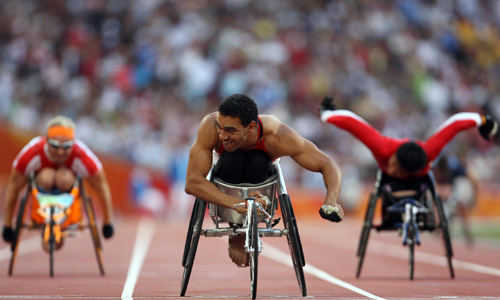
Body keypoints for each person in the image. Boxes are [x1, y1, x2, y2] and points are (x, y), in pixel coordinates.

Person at [185, 93, 343, 267]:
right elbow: (192, 182)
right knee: (233, 158)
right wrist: (238, 204)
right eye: (221, 128)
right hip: (226, 179)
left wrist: (331, 201)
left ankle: (248, 226)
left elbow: (328, 164)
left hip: (261, 180)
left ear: (251, 126)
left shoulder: (278, 135)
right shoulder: (210, 126)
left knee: (258, 159)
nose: (222, 136)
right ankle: (237, 232)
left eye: (230, 130)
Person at [318, 96, 497, 226]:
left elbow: (454, 124)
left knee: (435, 188)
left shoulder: (428, 153)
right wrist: (327, 114)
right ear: (393, 158)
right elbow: (353, 123)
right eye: (395, 168)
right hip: (391, 184)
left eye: (400, 171)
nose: (396, 172)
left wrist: (484, 122)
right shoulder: (383, 147)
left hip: (419, 182)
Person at [2, 115, 115, 247]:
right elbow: (13, 186)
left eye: (66, 146)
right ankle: (47, 221)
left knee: (64, 177)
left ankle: (61, 219)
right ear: (46, 140)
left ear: (73, 143)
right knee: (47, 177)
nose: (60, 152)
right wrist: (8, 224)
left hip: (69, 201)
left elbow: (101, 186)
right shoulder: (32, 153)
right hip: (41, 200)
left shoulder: (81, 155)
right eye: (55, 146)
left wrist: (108, 222)